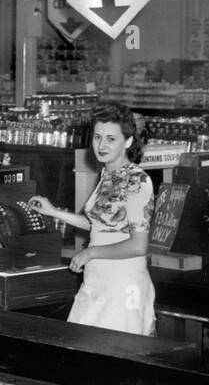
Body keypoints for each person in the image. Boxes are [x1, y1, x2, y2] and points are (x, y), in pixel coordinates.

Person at [28, 101, 156, 336]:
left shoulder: (137, 181)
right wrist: (54, 212)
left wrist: (90, 252)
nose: (101, 145)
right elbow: (98, 224)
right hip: (98, 280)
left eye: (111, 139)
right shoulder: (108, 174)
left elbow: (138, 245)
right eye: (97, 137)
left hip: (122, 284)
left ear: (127, 141)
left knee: (114, 355)